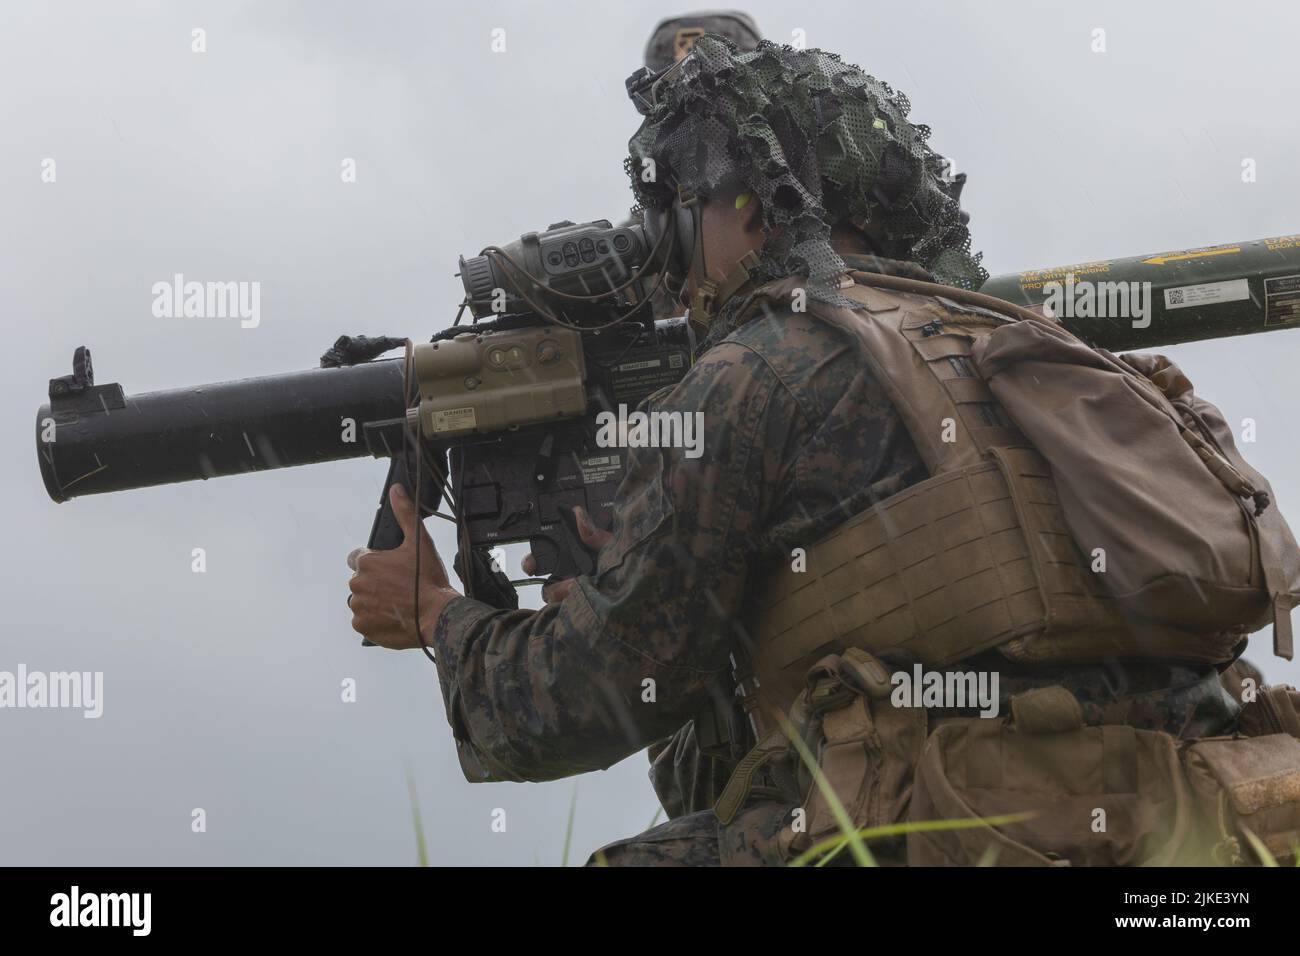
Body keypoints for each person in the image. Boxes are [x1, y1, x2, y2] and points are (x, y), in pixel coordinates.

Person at [348, 36, 1300, 866]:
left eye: (684, 207)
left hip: (973, 835)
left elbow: (577, 706)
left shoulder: (757, 372)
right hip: (1202, 835)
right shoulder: (1068, 358)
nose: (673, 260)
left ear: (756, 211)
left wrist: (438, 616)